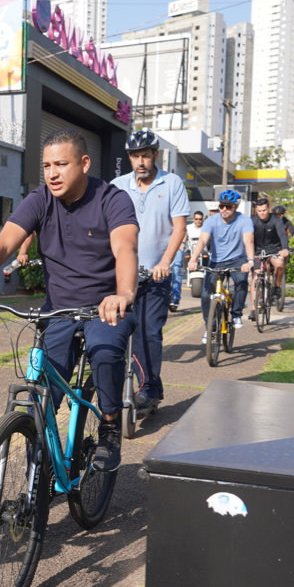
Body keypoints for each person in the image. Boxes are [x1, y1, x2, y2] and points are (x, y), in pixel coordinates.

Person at [0, 128, 139, 472]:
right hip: (59, 310)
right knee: (42, 395)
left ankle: (110, 425)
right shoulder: (40, 199)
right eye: (47, 166)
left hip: (105, 308)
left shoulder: (112, 199)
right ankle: (41, 469)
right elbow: (4, 244)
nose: (52, 173)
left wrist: (123, 293)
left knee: (105, 354)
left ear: (84, 163)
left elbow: (125, 247)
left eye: (61, 164)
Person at [112, 128, 188, 413]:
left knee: (149, 332)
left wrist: (165, 262)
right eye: (135, 156)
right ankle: (142, 385)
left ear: (155, 155)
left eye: (145, 155)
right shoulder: (118, 185)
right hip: (123, 275)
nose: (140, 162)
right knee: (118, 333)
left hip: (156, 275)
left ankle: (148, 389)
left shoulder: (172, 183)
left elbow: (179, 227)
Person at [188, 190, 256, 342]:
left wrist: (250, 261)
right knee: (206, 295)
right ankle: (210, 327)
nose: (224, 209)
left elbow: (248, 241)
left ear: (235, 207)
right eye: (221, 206)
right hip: (217, 261)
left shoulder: (244, 220)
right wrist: (193, 259)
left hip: (238, 259)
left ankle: (237, 314)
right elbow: (202, 241)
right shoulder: (212, 221)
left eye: (228, 206)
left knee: (241, 281)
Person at [247, 196, 289, 320]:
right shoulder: (252, 221)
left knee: (279, 264)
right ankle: (254, 309)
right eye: (259, 211)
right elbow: (247, 238)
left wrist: (285, 248)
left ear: (269, 209)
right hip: (257, 251)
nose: (262, 213)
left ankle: (277, 287)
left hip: (273, 250)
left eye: (264, 210)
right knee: (256, 275)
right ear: (256, 211)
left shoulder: (276, 220)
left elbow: (282, 236)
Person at [272, 204, 294, 297]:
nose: (279, 217)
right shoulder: (271, 221)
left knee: (283, 260)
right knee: (267, 267)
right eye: (277, 215)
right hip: (271, 245)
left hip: (282, 245)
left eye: (281, 215)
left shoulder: (286, 222)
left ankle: (278, 280)